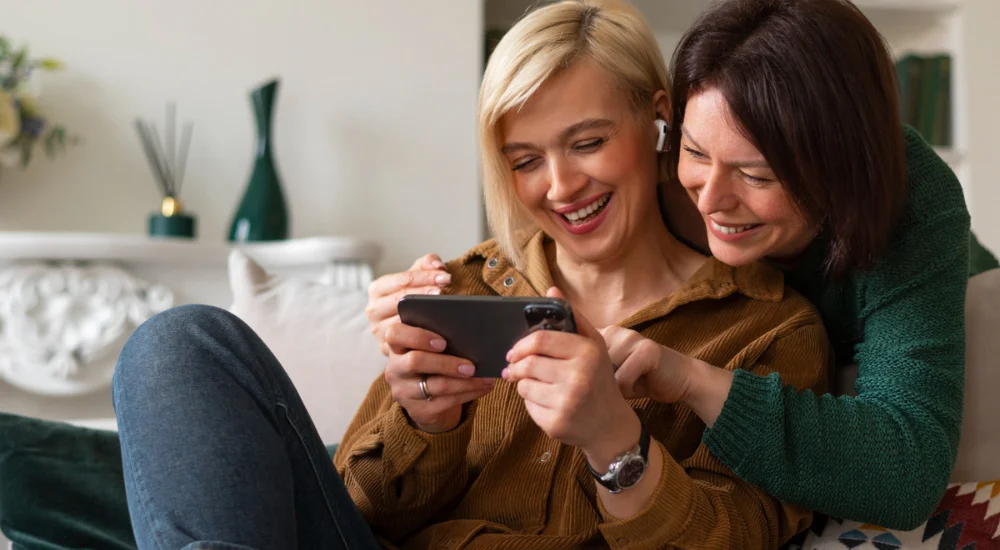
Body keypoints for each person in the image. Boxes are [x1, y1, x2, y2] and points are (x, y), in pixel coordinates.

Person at [113, 1, 830, 548]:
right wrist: (425, 420)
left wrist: (618, 444)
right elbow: (346, 513)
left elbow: (738, 534)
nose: (560, 186)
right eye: (523, 160)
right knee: (181, 343)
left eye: (587, 142)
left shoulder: (769, 332)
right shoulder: (463, 288)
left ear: (657, 119)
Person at [367, 0, 999, 531]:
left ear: (837, 175)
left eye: (755, 174)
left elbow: (904, 467)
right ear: (668, 125)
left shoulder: (897, 218)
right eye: (693, 153)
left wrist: (683, 384)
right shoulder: (650, 166)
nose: (709, 199)